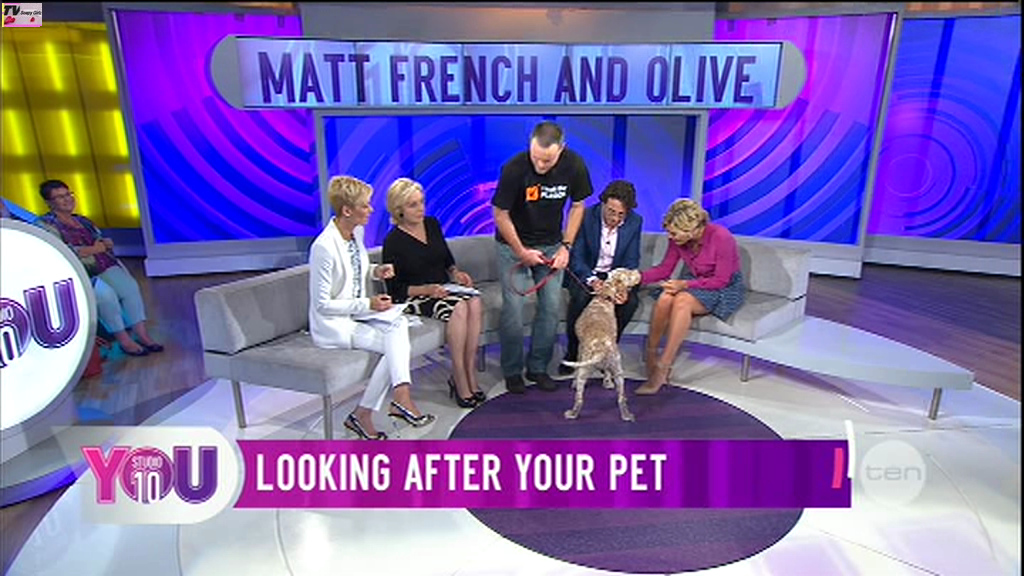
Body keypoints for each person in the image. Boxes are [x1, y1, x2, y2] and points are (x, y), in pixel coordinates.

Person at [309, 175, 435, 440]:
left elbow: (356, 270)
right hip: (335, 324)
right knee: (395, 347)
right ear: (347, 210)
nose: (371, 210)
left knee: (399, 324)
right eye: (365, 206)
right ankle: (378, 408)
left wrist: (376, 271)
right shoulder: (323, 247)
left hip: (358, 313)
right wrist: (368, 303)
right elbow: (322, 304)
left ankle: (384, 404)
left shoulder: (356, 232)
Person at [492, 120, 594, 394]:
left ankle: (537, 368)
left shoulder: (575, 165)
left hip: (551, 245)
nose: (540, 165)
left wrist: (566, 247)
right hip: (513, 246)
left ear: (562, 149)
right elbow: (500, 214)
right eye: (535, 157)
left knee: (550, 307)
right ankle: (513, 371)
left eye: (547, 160)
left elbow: (578, 206)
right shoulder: (514, 168)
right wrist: (521, 251)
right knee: (513, 310)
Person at [382, 178, 485, 408]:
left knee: (475, 300)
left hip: (443, 288)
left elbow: (446, 259)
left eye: (422, 202)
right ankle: (458, 377)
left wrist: (456, 273)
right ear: (398, 209)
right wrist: (426, 290)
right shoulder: (393, 241)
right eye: (413, 205)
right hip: (413, 297)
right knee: (459, 307)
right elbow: (395, 289)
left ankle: (470, 372)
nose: (420, 209)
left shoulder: (432, 224)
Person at [36, 179, 163, 357]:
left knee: (130, 288)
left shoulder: (82, 220)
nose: (67, 199)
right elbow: (61, 251)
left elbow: (98, 239)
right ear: (49, 203)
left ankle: (142, 336)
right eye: (60, 197)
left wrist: (106, 243)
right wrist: (94, 249)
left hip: (103, 264)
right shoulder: (45, 225)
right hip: (80, 272)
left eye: (68, 194)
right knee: (106, 296)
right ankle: (125, 341)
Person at [635, 198, 746, 395]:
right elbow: (665, 269)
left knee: (682, 301)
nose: (670, 237)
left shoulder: (721, 237)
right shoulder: (678, 240)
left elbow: (721, 280)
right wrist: (636, 277)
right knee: (665, 297)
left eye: (674, 233)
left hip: (723, 286)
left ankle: (664, 366)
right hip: (695, 280)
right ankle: (651, 354)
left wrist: (684, 285)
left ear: (691, 229)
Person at [559, 179, 643, 376]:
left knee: (629, 303)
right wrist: (592, 280)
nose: (614, 218)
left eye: (620, 214)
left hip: (615, 276)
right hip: (587, 272)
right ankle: (573, 351)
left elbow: (631, 260)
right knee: (581, 298)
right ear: (603, 203)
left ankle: (608, 349)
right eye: (611, 212)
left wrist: (621, 287)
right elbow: (576, 257)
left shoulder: (635, 222)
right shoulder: (586, 216)